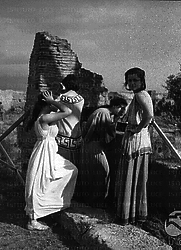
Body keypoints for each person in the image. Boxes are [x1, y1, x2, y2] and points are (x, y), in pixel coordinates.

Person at [24, 90, 78, 230]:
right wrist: (52, 101)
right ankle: (33, 219)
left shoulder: (45, 117)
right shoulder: (45, 118)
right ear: (46, 103)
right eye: (52, 100)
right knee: (39, 181)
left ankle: (48, 206)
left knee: (70, 170)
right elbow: (67, 111)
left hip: (48, 151)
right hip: (44, 152)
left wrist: (52, 101)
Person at [114, 67, 154, 225]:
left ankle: (128, 215)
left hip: (136, 141)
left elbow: (149, 115)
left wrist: (138, 128)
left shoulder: (140, 95)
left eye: (135, 80)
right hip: (140, 140)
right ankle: (133, 214)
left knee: (131, 177)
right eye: (129, 80)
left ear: (142, 81)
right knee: (135, 179)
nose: (131, 83)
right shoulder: (142, 95)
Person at [81, 97, 128, 208]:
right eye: (121, 108)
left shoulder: (104, 112)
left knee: (94, 172)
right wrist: (116, 121)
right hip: (93, 145)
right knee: (102, 171)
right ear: (116, 106)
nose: (122, 111)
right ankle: (96, 200)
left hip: (91, 145)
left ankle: (93, 200)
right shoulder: (103, 113)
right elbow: (106, 135)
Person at [54, 75, 85, 199]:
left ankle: (59, 197)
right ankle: (71, 195)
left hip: (62, 138)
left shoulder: (60, 98)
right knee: (72, 169)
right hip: (76, 137)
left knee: (61, 169)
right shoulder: (81, 99)